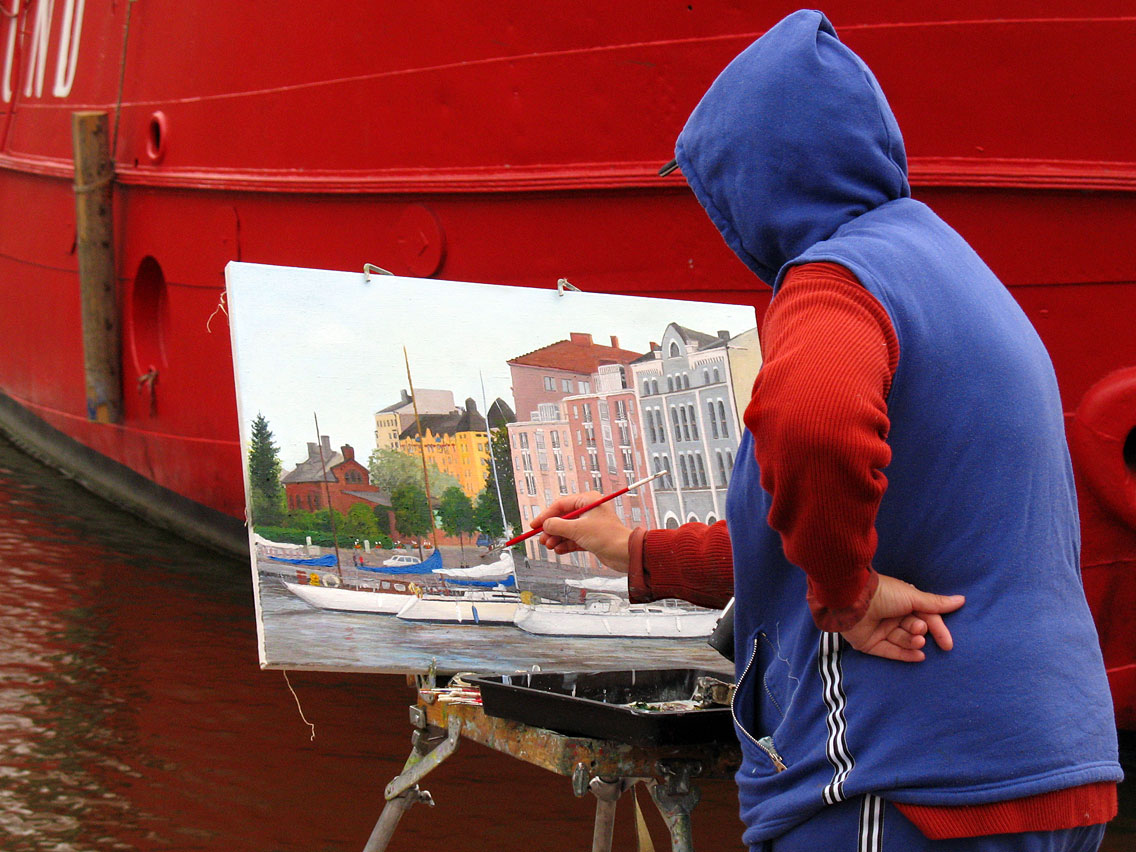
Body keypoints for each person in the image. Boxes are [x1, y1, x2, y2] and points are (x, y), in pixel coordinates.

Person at [532, 10, 1121, 851]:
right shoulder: (956, 274)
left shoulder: (836, 276)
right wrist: (631, 551)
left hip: (906, 777)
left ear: (753, 179)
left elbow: (812, 427)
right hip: (1051, 772)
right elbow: (817, 531)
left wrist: (845, 595)